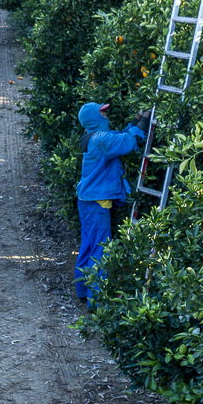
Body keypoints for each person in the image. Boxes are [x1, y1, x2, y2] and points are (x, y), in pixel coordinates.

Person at [72, 101, 149, 304]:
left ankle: (83, 291)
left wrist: (135, 121)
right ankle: (97, 300)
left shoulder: (94, 137)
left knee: (89, 245)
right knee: (101, 248)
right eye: (103, 113)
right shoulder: (100, 139)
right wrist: (144, 123)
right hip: (97, 204)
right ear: (94, 118)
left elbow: (118, 137)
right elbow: (127, 142)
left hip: (87, 201)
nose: (106, 116)